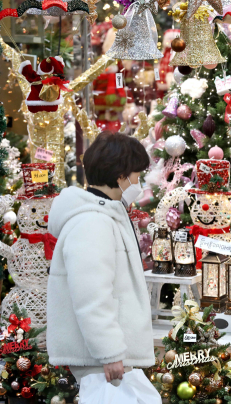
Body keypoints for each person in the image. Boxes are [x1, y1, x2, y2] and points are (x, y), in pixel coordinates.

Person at [47, 131, 154, 386]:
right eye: (137, 175)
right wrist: (110, 351)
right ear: (121, 175)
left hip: (107, 357)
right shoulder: (93, 222)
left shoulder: (105, 214)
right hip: (102, 360)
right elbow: (91, 294)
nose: (139, 182)